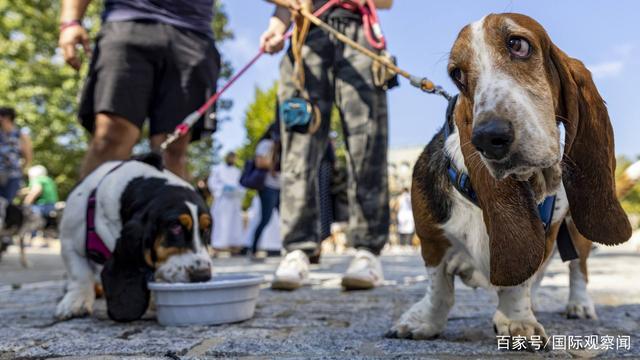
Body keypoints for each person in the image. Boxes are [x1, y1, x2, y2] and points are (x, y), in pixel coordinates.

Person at [261, 0, 393, 290]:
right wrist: (277, 25)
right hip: (306, 34)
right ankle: (296, 250)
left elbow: (387, 2)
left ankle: (367, 252)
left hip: (357, 33)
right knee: (298, 144)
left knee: (366, 141)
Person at [59, 0, 220, 179]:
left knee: (174, 149)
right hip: (127, 23)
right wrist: (70, 22)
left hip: (194, 36)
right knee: (110, 137)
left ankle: (166, 206)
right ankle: (91, 206)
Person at [250, 123, 282, 259]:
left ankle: (288, 247)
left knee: (286, 218)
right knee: (265, 219)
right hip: (269, 187)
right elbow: (259, 162)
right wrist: (273, 161)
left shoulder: (282, 146)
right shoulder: (265, 144)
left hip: (281, 185)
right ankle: (253, 248)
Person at [208, 152, 245, 251]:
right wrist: (222, 188)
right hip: (222, 200)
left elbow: (241, 185)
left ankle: (234, 245)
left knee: (235, 223)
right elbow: (212, 182)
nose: (232, 159)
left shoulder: (237, 171)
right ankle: (217, 245)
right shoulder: (217, 169)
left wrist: (238, 191)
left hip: (235, 200)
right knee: (221, 223)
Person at [0, 107, 32, 203]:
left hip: (13, 175)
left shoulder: (20, 135)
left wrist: (21, 170)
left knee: (7, 203)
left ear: (7, 117)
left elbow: (28, 156)